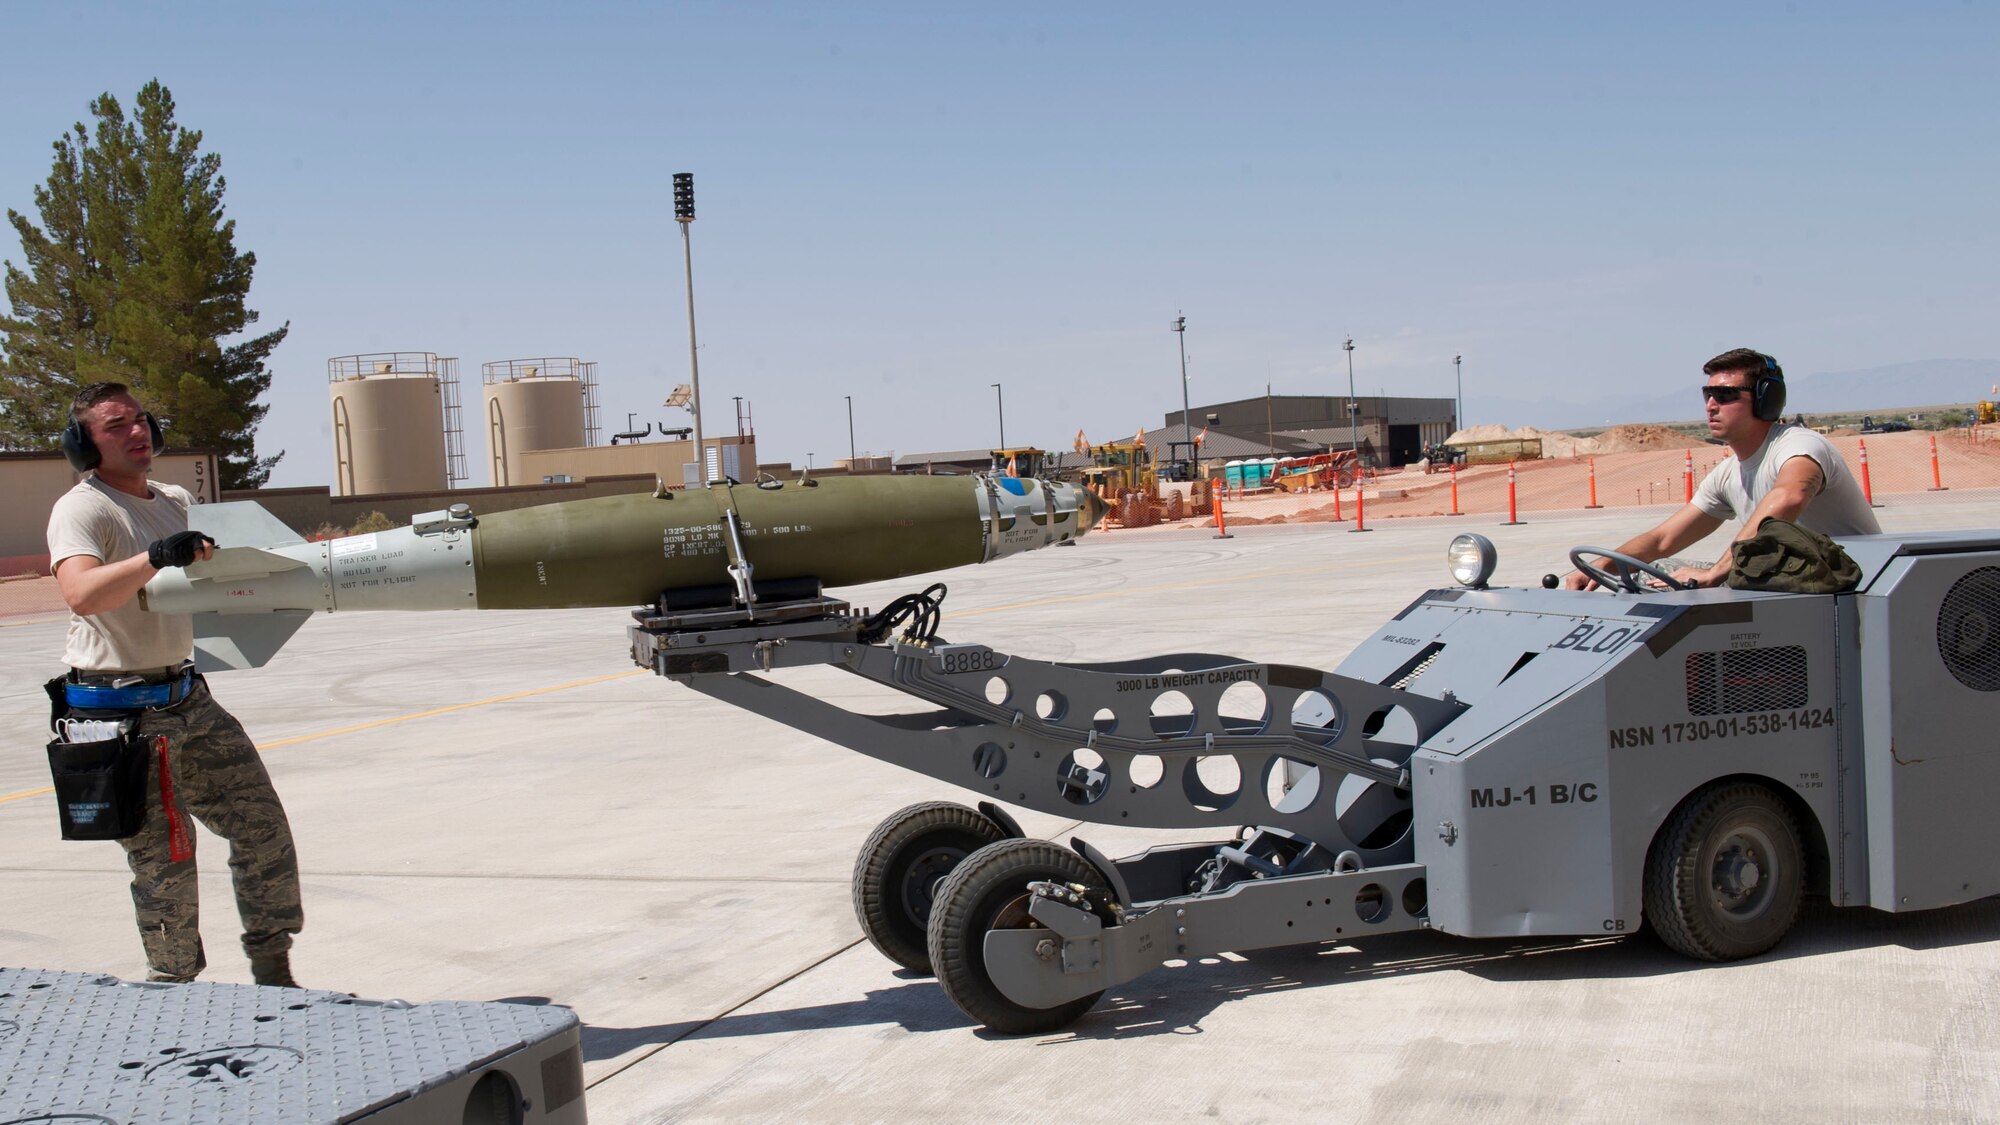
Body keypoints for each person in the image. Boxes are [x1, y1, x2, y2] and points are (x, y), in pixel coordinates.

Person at [45, 382, 304, 986]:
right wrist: (157, 556)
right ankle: (172, 988)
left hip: (186, 697)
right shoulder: (83, 508)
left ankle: (273, 970)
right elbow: (81, 593)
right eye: (116, 426)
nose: (136, 432)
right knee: (166, 858)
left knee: (261, 828)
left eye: (140, 419)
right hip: (119, 713)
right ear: (84, 443)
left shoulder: (175, 499)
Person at [1566, 348, 1880, 589]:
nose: (1711, 405)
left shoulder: (1799, 446)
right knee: (1658, 575)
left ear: (1765, 400)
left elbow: (1789, 496)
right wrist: (1600, 567)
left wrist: (1717, 571)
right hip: (1802, 584)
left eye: (1726, 395)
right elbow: (1663, 540)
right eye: (1708, 394)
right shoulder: (1728, 474)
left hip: (1856, 587)